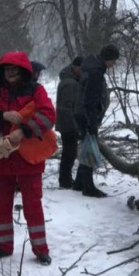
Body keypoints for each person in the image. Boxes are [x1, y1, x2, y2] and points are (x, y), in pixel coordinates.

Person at [0, 51, 56, 265]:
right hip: (1, 157)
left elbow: (48, 115)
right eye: (7, 70)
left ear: (24, 72)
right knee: (2, 205)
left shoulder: (36, 90)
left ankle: (40, 249)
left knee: (33, 205)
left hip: (27, 158)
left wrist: (23, 130)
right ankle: (4, 247)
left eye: (15, 70)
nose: (10, 74)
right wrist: (0, 116)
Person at [73, 44, 120, 197]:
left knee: (87, 145)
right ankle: (88, 187)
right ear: (108, 59)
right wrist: (92, 123)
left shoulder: (90, 66)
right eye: (114, 61)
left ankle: (79, 182)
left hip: (81, 113)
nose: (114, 64)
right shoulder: (95, 72)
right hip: (87, 114)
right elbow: (89, 101)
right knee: (90, 147)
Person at [56, 56, 84, 189]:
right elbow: (67, 107)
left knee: (70, 152)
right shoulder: (70, 83)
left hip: (66, 123)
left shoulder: (71, 80)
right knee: (69, 153)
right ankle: (65, 180)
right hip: (68, 124)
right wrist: (75, 125)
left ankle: (65, 179)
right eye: (82, 68)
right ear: (76, 67)